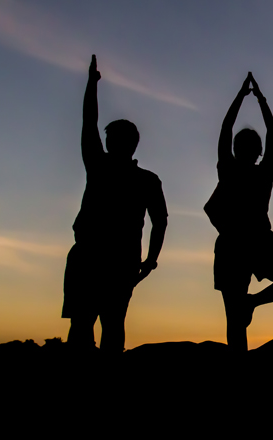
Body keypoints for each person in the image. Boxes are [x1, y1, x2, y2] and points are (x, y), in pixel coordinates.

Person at [63, 55, 168, 352]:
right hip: (106, 259)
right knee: (104, 325)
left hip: (107, 260)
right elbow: (160, 222)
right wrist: (150, 260)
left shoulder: (106, 168)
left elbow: (89, 121)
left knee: (93, 325)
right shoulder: (126, 174)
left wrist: (91, 85)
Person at [204, 73, 273, 352]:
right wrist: (259, 99)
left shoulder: (241, 170)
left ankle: (252, 302)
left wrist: (242, 96)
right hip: (243, 245)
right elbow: (269, 133)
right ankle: (251, 304)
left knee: (238, 316)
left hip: (253, 243)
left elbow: (226, 129)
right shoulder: (247, 171)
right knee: (238, 317)